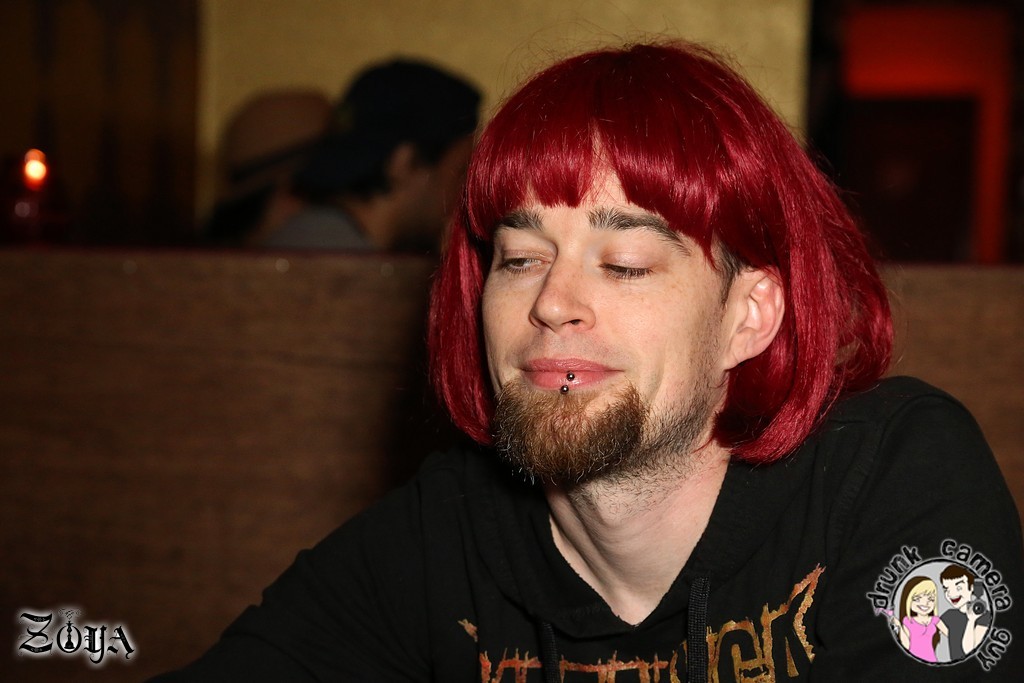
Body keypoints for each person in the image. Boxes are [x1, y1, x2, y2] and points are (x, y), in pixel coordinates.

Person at [153, 41, 1024, 681]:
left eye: (625, 262)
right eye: (520, 257)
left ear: (748, 316)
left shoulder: (893, 476)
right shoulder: (441, 538)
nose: (551, 301)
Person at [253, 58, 481, 253]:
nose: (465, 193)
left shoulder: (308, 236)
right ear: (403, 162)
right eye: (461, 170)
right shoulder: (340, 264)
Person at [941, 565, 993, 660]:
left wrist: (971, 620)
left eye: (958, 588)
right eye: (946, 589)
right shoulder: (949, 615)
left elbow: (969, 651)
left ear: (971, 587)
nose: (951, 594)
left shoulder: (984, 616)